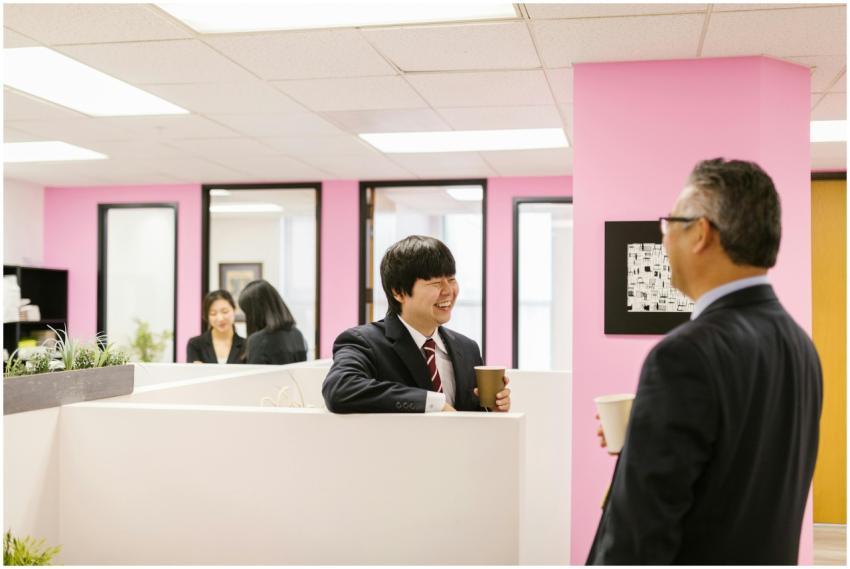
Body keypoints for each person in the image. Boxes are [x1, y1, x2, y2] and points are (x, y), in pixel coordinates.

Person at [587, 159, 823, 565]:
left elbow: (641, 536)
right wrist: (643, 439)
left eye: (668, 225)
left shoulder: (684, 354)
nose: (663, 242)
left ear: (700, 233)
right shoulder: (801, 345)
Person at [322, 235, 511, 413]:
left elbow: (468, 418)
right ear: (399, 292)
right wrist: (432, 403)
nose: (448, 291)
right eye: (435, 283)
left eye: (451, 279)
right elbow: (339, 389)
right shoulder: (364, 342)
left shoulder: (467, 348)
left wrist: (491, 411)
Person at [238, 280, 308, 365]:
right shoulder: (297, 335)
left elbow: (254, 378)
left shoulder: (258, 341)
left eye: (247, 313)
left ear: (255, 313)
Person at [186, 289, 245, 364]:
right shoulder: (195, 344)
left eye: (225, 312)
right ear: (207, 316)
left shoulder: (246, 346)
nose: (220, 318)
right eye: (213, 313)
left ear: (234, 310)